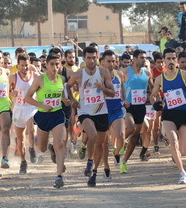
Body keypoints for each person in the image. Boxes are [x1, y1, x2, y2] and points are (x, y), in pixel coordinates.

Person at [151, 48, 186, 184]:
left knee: (184, 151)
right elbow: (152, 95)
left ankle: (176, 154)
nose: (171, 61)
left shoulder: (184, 74)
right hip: (169, 114)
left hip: (184, 114)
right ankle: (182, 173)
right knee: (173, 143)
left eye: (173, 58)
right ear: (164, 61)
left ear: (177, 60)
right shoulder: (160, 79)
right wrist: (156, 104)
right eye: (168, 59)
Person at [66, 46, 115, 187]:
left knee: (100, 144)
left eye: (94, 57)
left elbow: (112, 93)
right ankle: (89, 161)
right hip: (85, 111)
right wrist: (73, 100)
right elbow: (68, 86)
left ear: (98, 58)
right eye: (89, 58)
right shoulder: (79, 74)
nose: (92, 60)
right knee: (92, 136)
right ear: (84, 58)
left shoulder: (104, 72)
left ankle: (94, 173)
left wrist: (102, 88)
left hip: (101, 111)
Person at [25, 53, 71, 188]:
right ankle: (50, 149)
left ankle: (59, 177)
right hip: (43, 116)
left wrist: (65, 101)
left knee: (61, 144)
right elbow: (27, 97)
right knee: (42, 147)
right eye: (52, 64)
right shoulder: (40, 79)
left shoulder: (62, 79)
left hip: (57, 115)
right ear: (46, 65)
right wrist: (42, 105)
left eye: (57, 64)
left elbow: (61, 95)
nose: (55, 67)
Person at [118, 49, 152, 173]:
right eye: (142, 57)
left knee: (135, 136)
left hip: (141, 107)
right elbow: (119, 86)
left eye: (145, 58)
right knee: (131, 127)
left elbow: (152, 89)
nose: (144, 60)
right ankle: (119, 145)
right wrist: (122, 99)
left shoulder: (147, 73)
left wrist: (155, 99)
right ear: (135, 59)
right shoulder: (125, 71)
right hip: (128, 107)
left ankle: (124, 162)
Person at [9, 54, 39, 174]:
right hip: (18, 109)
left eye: (26, 65)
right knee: (20, 139)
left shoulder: (34, 75)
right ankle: (23, 162)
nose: (24, 68)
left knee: (31, 130)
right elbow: (7, 93)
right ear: (18, 66)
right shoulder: (13, 77)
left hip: (31, 107)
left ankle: (31, 148)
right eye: (22, 65)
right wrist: (12, 93)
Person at [101, 50, 126, 173]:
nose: (111, 64)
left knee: (121, 136)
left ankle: (116, 153)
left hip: (117, 109)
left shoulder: (119, 74)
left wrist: (125, 100)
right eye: (109, 61)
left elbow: (122, 88)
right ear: (103, 62)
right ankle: (105, 165)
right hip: (103, 111)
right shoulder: (99, 75)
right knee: (104, 142)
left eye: (113, 61)